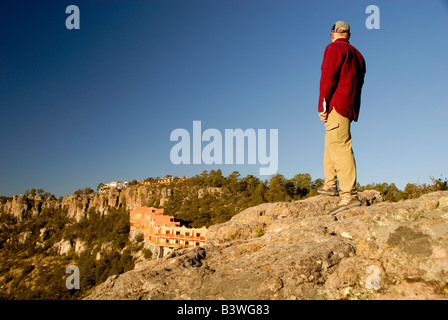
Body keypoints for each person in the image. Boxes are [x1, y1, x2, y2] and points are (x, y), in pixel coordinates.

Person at [317, 21, 366, 214]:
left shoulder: (333, 48)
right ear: (349, 35)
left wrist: (323, 104)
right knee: (331, 142)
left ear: (332, 34)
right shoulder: (359, 55)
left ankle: (349, 195)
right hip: (350, 105)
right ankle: (330, 184)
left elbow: (328, 76)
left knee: (340, 145)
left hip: (337, 103)